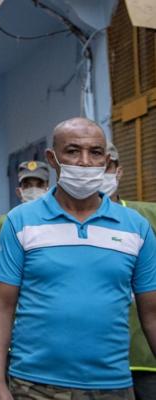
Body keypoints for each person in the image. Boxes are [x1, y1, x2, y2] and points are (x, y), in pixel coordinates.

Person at [0, 118, 156, 400]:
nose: (85, 162)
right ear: (53, 158)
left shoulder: (135, 228)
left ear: (106, 159)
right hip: (34, 386)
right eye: (73, 151)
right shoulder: (22, 222)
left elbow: (152, 314)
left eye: (96, 152)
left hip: (112, 386)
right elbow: (0, 307)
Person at [101, 142, 156, 400]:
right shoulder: (63, 224)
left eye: (106, 166)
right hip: (92, 361)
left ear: (118, 171)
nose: (98, 173)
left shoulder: (147, 216)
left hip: (145, 352)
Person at [0, 161, 50, 261]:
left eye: (39, 185)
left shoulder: (61, 222)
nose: (33, 190)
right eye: (27, 185)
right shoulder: (3, 224)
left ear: (48, 189)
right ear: (19, 191)